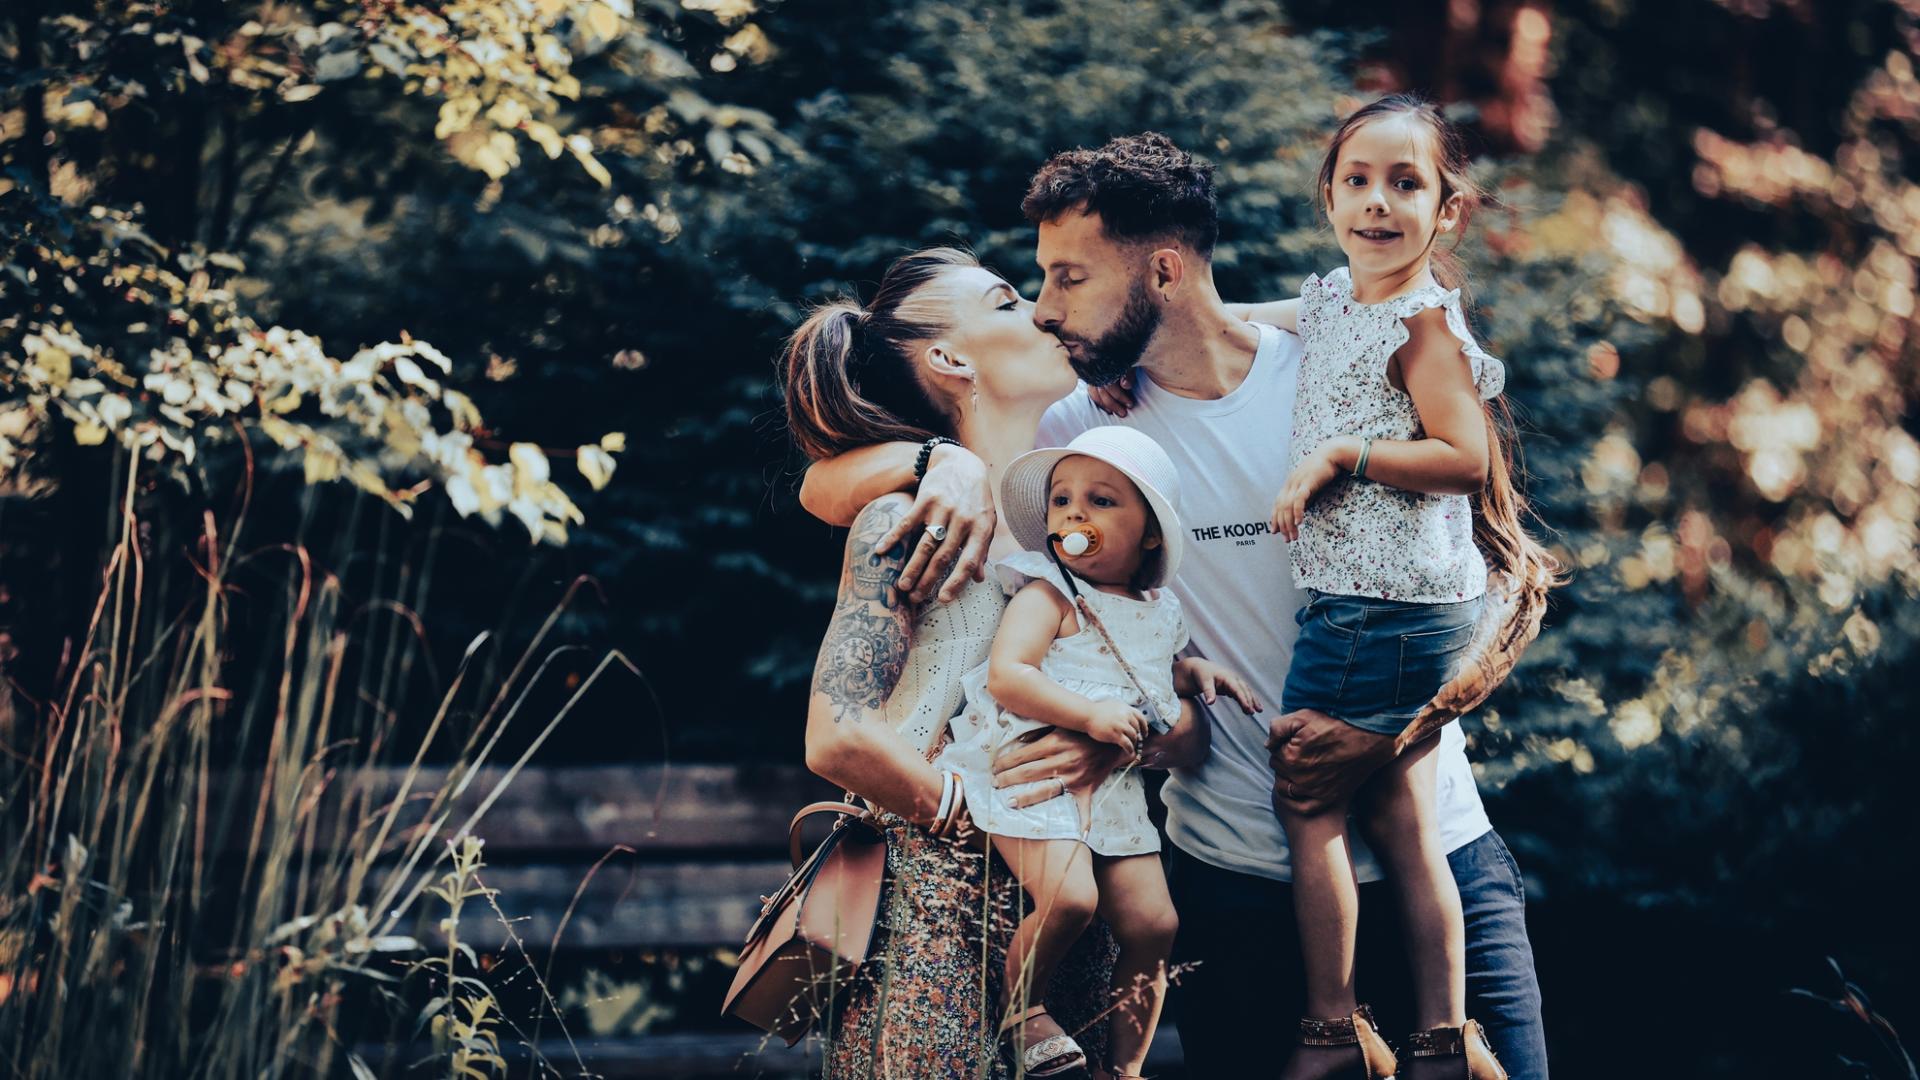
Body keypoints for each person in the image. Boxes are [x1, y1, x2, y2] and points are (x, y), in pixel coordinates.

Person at [798, 131, 1551, 1078]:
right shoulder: (1074, 442)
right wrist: (927, 458)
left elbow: (1505, 578)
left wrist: (1395, 727)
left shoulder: (1345, 368)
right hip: (1232, 887)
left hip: (1435, 860)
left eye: (1068, 279)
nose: (1045, 308)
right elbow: (839, 491)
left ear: (1159, 270)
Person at [781, 245, 1214, 1079]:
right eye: (1010, 300)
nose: (1046, 312)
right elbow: (835, 739)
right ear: (950, 359)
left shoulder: (1075, 532)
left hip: (1073, 924)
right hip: (941, 926)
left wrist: (1121, 738)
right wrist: (973, 807)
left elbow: (1170, 697)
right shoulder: (906, 519)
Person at [1238, 93, 1562, 1080]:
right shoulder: (1341, 295)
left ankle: (1333, 1031)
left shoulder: (1422, 326)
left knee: (1309, 797)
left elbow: (1467, 458)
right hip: (1392, 601)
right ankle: (1436, 1039)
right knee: (1405, 818)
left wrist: (1346, 451)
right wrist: (1176, 328)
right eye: (1358, 181)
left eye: (1405, 183)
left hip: (1384, 603)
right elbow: (1268, 320)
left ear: (1449, 212)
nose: (1378, 204)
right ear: (1329, 194)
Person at [931, 426, 1259, 1078]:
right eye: (1062, 500)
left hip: (1111, 790)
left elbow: (1159, 669)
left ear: (1151, 534)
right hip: (1033, 768)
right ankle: (1020, 1012)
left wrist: (1197, 675)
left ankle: (1124, 1067)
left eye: (1102, 501)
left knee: (1154, 924)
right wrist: (1088, 714)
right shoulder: (1045, 592)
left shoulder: (1158, 609)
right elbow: (1010, 675)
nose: (1074, 514)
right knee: (1071, 900)